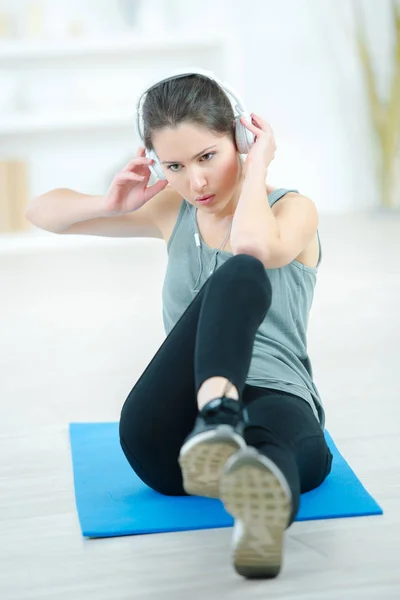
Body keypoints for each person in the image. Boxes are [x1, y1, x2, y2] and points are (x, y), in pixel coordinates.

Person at [26, 70, 333, 580]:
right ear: (156, 164)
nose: (196, 182)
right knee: (238, 273)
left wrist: (256, 172)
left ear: (240, 138)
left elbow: (254, 247)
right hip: (170, 441)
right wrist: (108, 204)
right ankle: (216, 420)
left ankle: (257, 499)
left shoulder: (295, 210)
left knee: (287, 450)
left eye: (208, 156)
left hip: (274, 397)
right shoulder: (172, 209)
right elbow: (41, 212)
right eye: (174, 166)